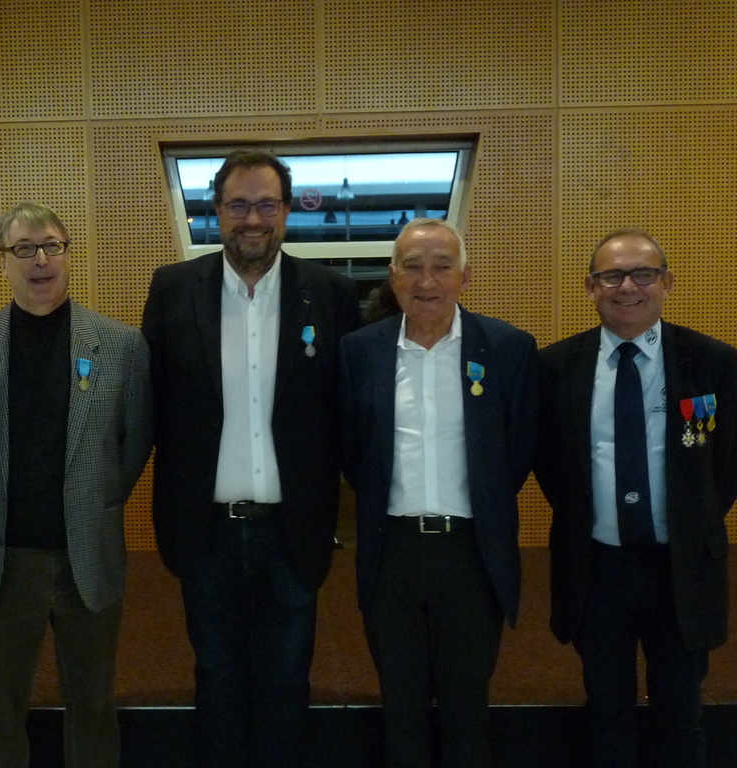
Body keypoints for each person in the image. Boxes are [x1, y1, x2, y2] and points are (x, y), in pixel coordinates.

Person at [142, 149, 361, 767]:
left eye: (267, 204)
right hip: (205, 528)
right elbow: (152, 401)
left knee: (287, 677)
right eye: (238, 205)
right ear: (216, 211)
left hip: (293, 529)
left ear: (287, 212)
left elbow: (346, 411)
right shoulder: (173, 289)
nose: (253, 219)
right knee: (215, 674)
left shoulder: (331, 294)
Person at [0, 202, 152, 768]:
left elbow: (133, 443)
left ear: (67, 255)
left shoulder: (122, 346)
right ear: (3, 262)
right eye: (24, 249)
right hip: (3, 558)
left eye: (51, 246)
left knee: (93, 705)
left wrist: (97, 500)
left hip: (88, 552)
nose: (40, 260)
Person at [339, 218, 539, 768]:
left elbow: (518, 448)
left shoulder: (507, 348)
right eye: (413, 267)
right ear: (393, 276)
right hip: (392, 553)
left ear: (464, 277)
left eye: (441, 267)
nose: (426, 281)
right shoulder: (360, 351)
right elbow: (353, 450)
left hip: (471, 553)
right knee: (400, 707)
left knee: (466, 709)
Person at [534, 228, 737, 768]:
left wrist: (689, 519)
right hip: (596, 569)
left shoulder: (713, 363)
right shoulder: (556, 367)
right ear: (591, 287)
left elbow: (725, 466)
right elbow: (553, 465)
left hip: (680, 568)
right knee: (606, 712)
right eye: (612, 276)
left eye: (643, 274)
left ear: (667, 282)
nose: (628, 287)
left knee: (681, 714)